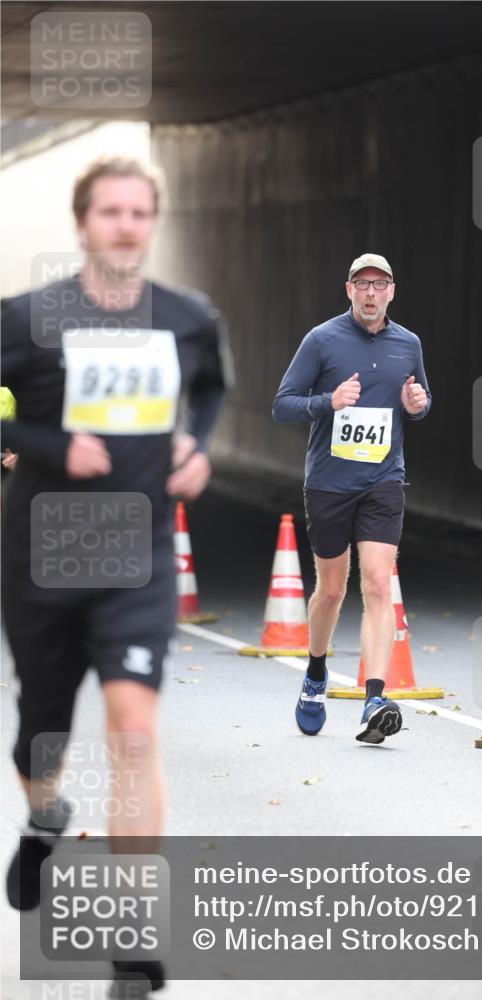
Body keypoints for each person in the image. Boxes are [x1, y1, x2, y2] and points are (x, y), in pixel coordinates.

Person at [1, 156, 230, 995]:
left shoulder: (185, 318)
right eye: (111, 212)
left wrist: (196, 447)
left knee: (134, 731)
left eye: (139, 212)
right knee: (42, 730)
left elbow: (209, 390)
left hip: (138, 558)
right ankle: (45, 816)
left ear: (152, 222)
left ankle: (134, 937)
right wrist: (51, 445)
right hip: (45, 556)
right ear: (82, 223)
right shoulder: (28, 319)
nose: (126, 226)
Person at [272, 253, 431, 744]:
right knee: (331, 591)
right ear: (349, 290)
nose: (370, 292)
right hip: (329, 483)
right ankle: (316, 673)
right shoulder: (321, 340)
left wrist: (418, 405)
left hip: (383, 480)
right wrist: (329, 401)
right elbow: (282, 405)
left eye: (379, 284)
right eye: (362, 284)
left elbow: (420, 399)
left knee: (379, 583)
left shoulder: (408, 343)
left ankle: (374, 699)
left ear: (391, 292)